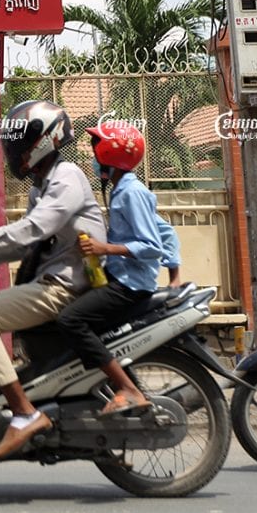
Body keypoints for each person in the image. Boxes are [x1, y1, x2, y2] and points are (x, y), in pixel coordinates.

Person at [0, 100, 106, 461]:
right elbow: (24, 245)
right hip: (52, 283)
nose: (15, 150)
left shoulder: (67, 177)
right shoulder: (40, 187)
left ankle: (24, 412)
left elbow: (33, 228)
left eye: (21, 141)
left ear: (46, 139)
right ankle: (5, 399)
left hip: (63, 287)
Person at [56, 120, 182, 415]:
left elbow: (151, 245)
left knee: (70, 320)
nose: (92, 158)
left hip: (130, 284)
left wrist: (105, 249)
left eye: (95, 151)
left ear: (109, 155)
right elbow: (165, 231)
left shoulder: (131, 193)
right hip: (122, 278)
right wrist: (175, 274)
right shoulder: (122, 190)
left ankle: (128, 389)